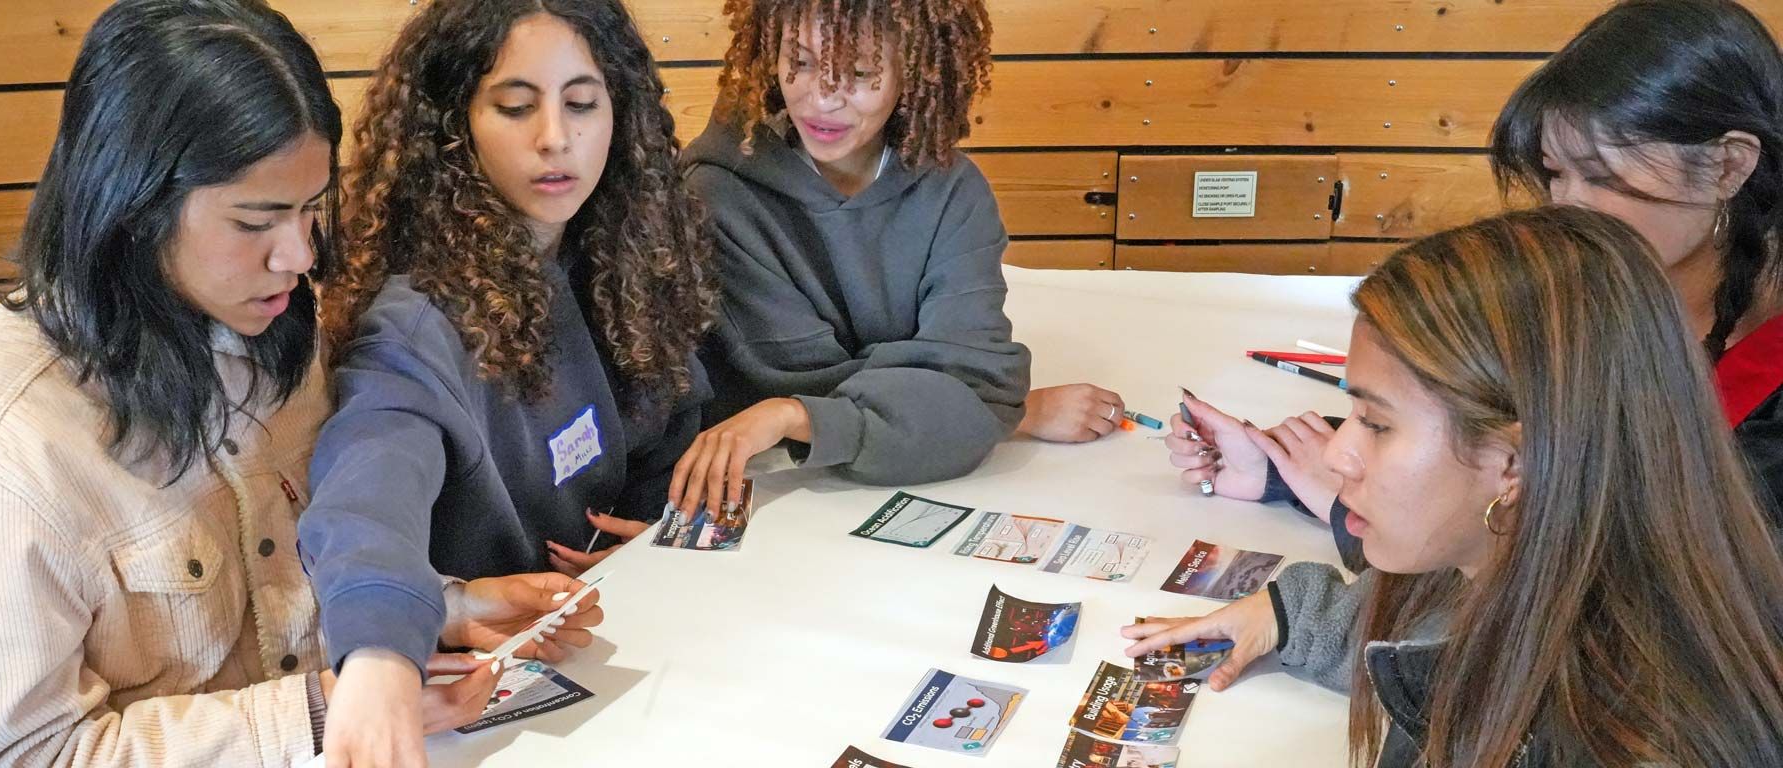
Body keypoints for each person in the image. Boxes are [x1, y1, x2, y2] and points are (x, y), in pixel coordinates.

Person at [0, 2, 597, 765]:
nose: (298, 254)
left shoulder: (264, 326)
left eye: (310, 209)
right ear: (131, 204)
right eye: (256, 222)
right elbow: (32, 755)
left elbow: (293, 584)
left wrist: (443, 608)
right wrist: (321, 709)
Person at [1126, 207, 1783, 766]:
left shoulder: (1625, 736)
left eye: (1377, 424)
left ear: (1518, 462)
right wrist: (1287, 613)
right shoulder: (1549, 561)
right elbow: (1448, 621)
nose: (1341, 453)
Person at [1168, 0, 1783, 548]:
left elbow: (1633, 574)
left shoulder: (1765, 393)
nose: (1565, 208)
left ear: (1728, 166)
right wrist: (1282, 467)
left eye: (1600, 177)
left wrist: (1336, 513)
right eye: (1554, 173)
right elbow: (1489, 459)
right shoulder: (1584, 291)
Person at [295, 0, 706, 762]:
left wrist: (649, 528)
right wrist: (380, 655)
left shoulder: (617, 260)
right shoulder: (416, 322)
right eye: (516, 107)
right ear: (453, 128)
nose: (556, 138)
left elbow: (668, 428)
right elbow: (365, 487)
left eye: (582, 103)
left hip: (609, 644)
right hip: (487, 697)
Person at [670, 0, 1127, 517]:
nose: (821, 99)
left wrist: (982, 406)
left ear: (911, 71)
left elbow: (980, 385)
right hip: (779, 494)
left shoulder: (956, 192)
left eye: (861, 73)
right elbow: (805, 381)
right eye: (798, 60)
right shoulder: (717, 192)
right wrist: (990, 412)